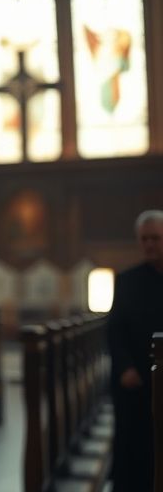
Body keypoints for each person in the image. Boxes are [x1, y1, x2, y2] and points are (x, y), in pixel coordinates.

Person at [107, 209, 163, 492]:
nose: (149, 244)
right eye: (144, 239)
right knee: (134, 452)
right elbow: (114, 329)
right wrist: (125, 367)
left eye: (155, 238)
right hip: (136, 380)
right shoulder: (127, 280)